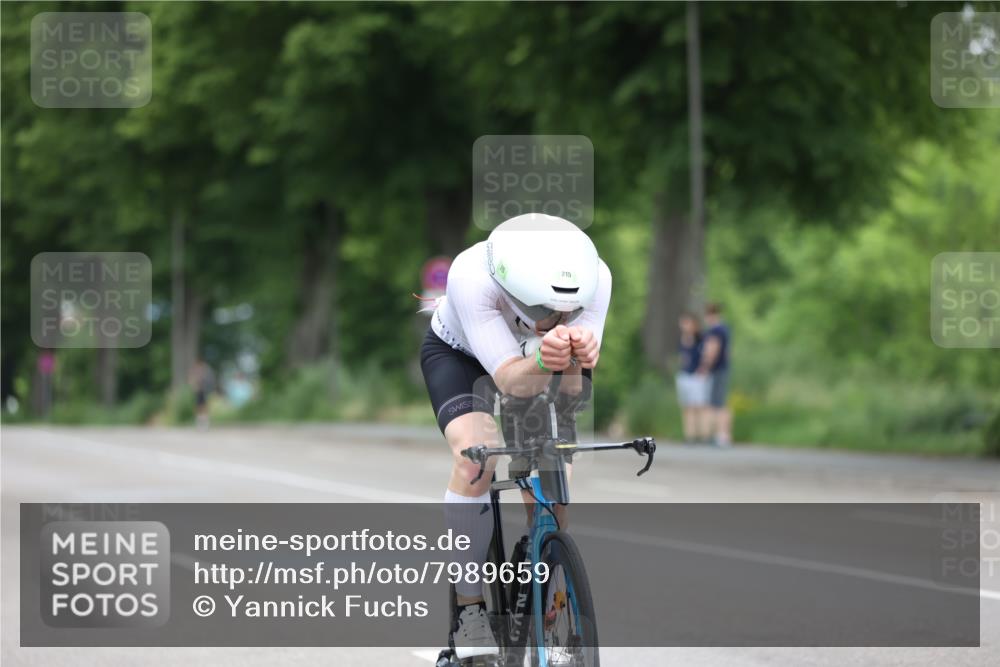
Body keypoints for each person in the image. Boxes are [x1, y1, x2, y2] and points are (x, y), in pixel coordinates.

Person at [420, 213, 611, 660]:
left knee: (554, 467)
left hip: (536, 366)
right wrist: (547, 360)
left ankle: (550, 592)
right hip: (463, 358)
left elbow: (570, 393)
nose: (558, 318)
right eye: (546, 312)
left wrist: (574, 363)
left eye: (567, 311)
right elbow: (509, 381)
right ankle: (470, 608)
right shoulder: (472, 278)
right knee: (475, 459)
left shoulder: (597, 277)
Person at [697, 303, 732, 447]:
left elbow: (712, 350)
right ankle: (721, 435)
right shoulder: (725, 329)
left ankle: (721, 435)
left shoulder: (715, 331)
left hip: (716, 370)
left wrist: (705, 368)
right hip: (723, 369)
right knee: (719, 403)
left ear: (710, 315)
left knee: (717, 404)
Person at [675, 313, 710, 443]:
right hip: (684, 375)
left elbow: (705, 354)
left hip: (696, 376)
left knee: (700, 406)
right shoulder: (682, 339)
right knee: (687, 407)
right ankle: (689, 436)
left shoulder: (701, 338)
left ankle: (704, 435)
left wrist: (703, 369)